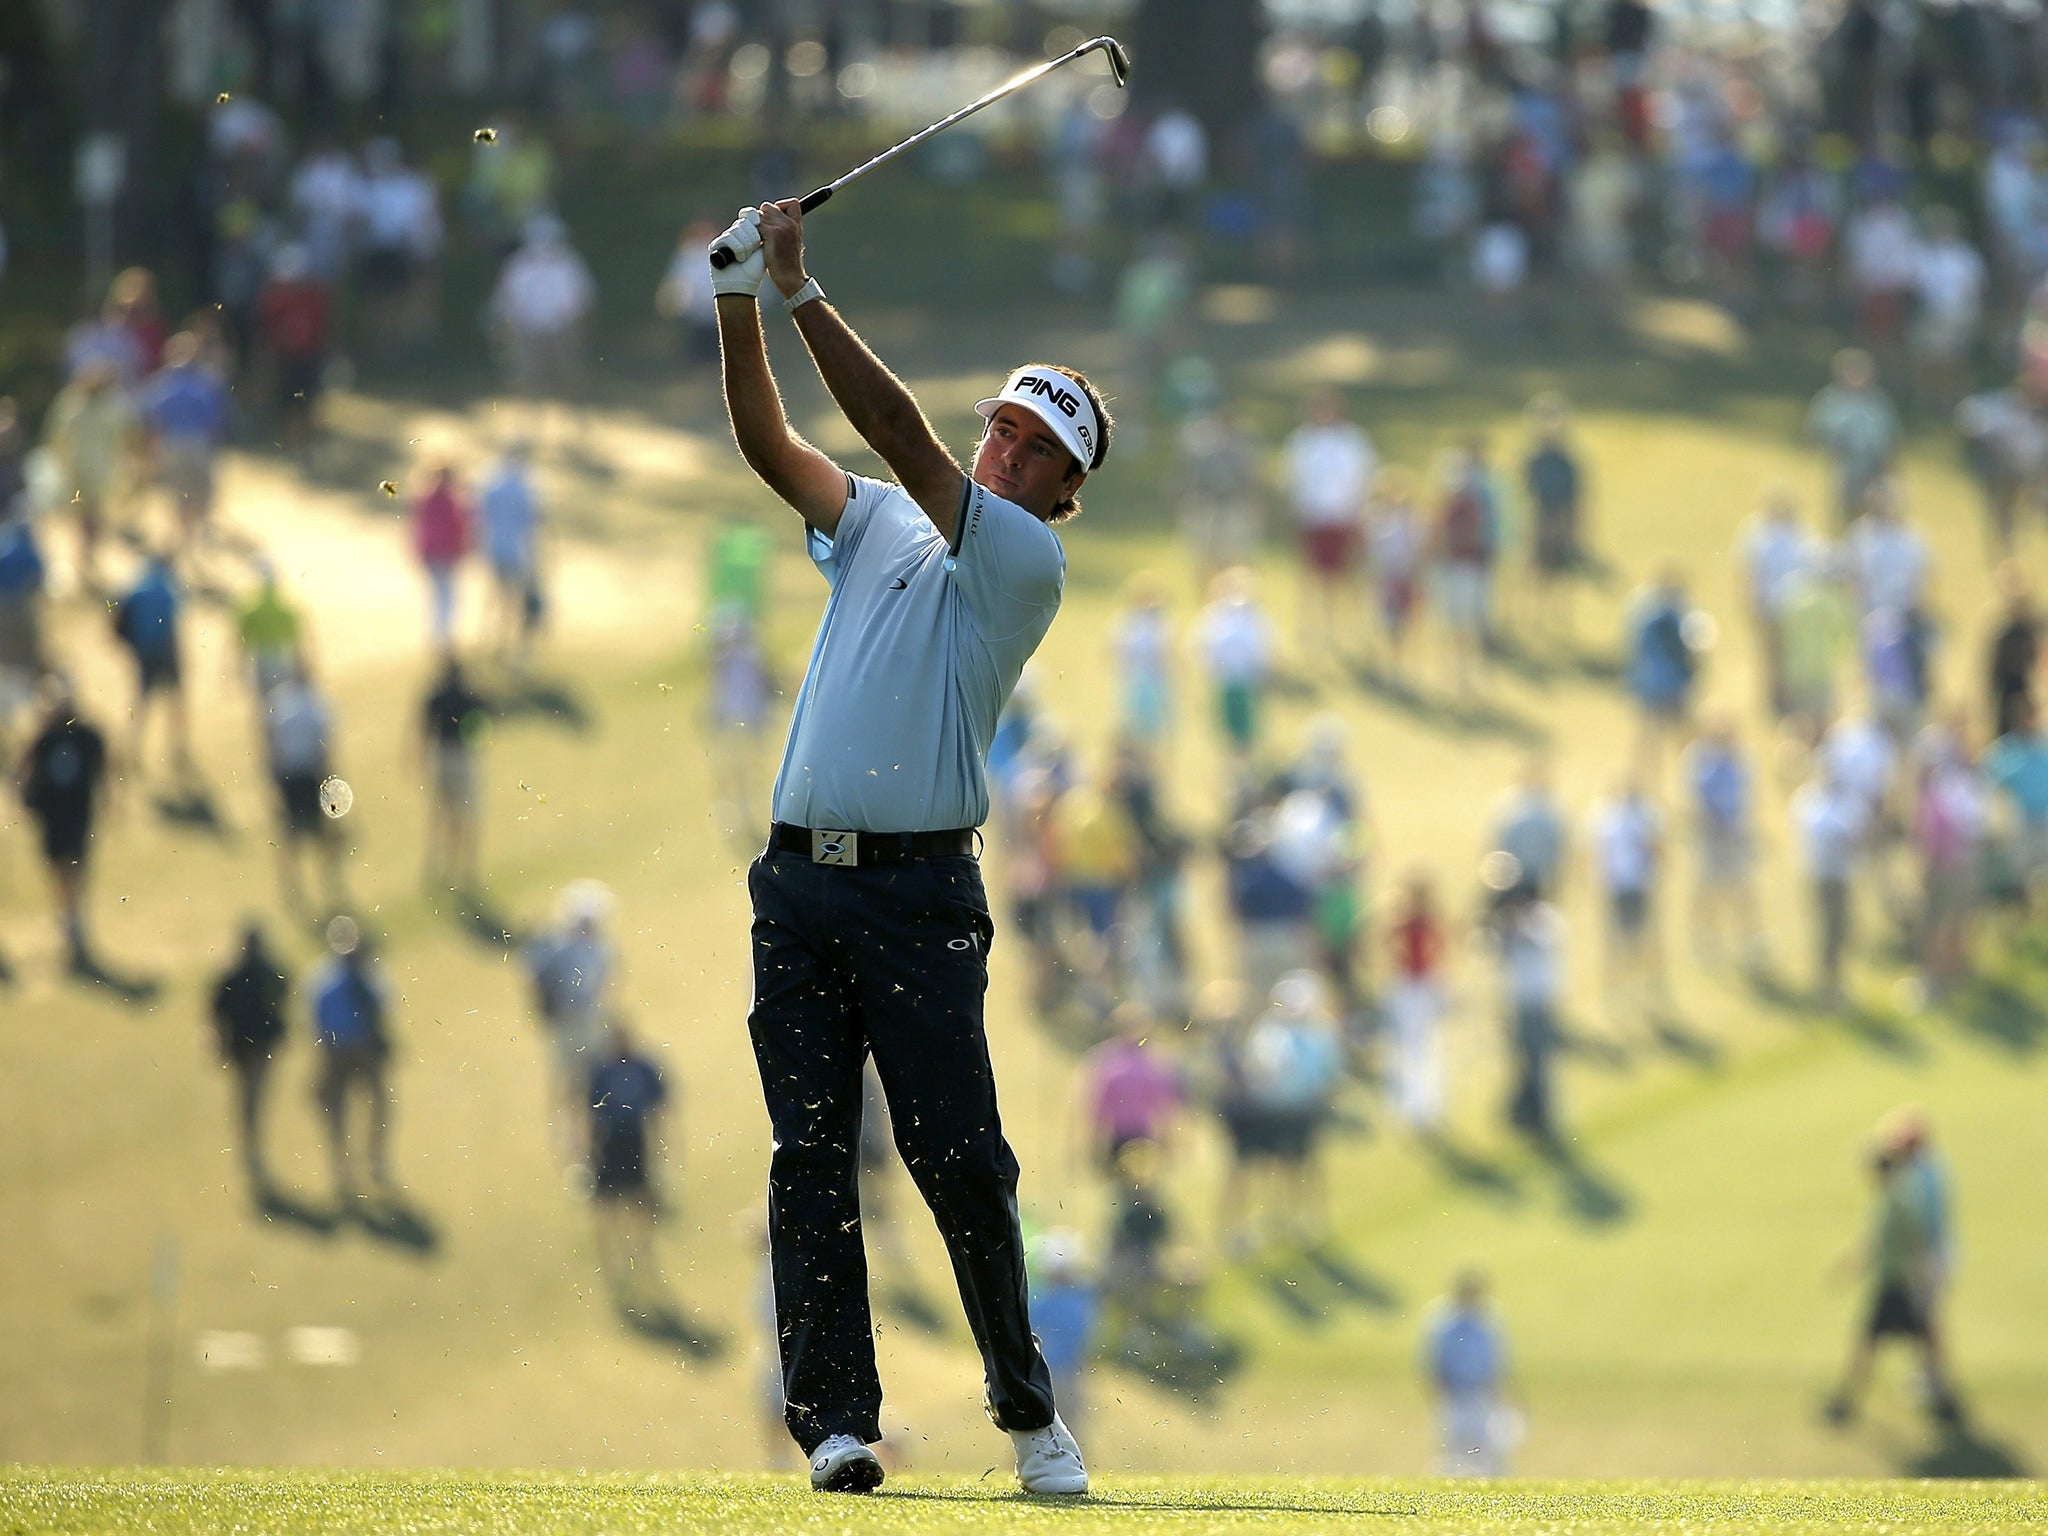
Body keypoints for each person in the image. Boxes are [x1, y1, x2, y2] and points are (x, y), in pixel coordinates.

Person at [713, 197, 1093, 1495]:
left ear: (1064, 491)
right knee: (809, 1152)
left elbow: (892, 429)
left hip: (921, 893)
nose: (1005, 453)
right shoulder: (875, 520)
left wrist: (797, 286)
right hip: (798, 884)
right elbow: (772, 444)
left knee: (959, 1161)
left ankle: (1027, 1409)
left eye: (1036, 448)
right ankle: (835, 1423)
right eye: (1001, 425)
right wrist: (733, 306)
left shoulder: (1023, 566)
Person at [1824, 1134, 1961, 1426]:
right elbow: (1877, 1244)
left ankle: (1845, 1401)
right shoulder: (1891, 1200)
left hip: (1896, 1285)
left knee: (1872, 1342)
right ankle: (1943, 1397)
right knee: (1918, 1342)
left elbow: (1911, 1241)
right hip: (1896, 1284)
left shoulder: (1896, 1203)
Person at [16, 679, 110, 971]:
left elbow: (103, 767)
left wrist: (109, 799)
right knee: (59, 868)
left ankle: (72, 919)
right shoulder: (45, 738)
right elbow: (23, 767)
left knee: (76, 867)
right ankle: (69, 917)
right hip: (53, 816)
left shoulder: (86, 736)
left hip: (78, 814)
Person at [525, 879, 618, 1159]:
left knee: (593, 1088)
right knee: (566, 1089)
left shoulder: (602, 949)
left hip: (590, 1024)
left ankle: (589, 1146)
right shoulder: (556, 948)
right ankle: (568, 1148)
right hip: (566, 1026)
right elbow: (537, 982)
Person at [1282, 388, 1375, 659]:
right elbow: (1293, 479)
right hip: (1312, 516)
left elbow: (1363, 478)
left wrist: (1360, 512)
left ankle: (1349, 627)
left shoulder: (1353, 441)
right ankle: (1313, 628)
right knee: (1311, 575)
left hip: (1344, 516)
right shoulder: (1302, 442)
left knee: (1348, 575)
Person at [587, 1018, 671, 1317]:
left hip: (635, 1140)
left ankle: (640, 1251)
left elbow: (658, 1108)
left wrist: (662, 1146)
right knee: (607, 1205)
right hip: (609, 1142)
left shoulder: (643, 1068)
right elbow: (589, 1112)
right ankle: (611, 1259)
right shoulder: (602, 1070)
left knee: (639, 1202)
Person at [309, 915, 395, 1204]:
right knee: (336, 1110)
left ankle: (373, 1157)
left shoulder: (367, 974)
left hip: (363, 1048)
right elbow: (315, 1020)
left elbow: (384, 1006)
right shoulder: (325, 977)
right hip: (337, 1051)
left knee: (379, 1104)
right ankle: (342, 1165)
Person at [209, 922, 289, 1195]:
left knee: (250, 1097)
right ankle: (252, 1145)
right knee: (251, 1097)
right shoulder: (259, 974)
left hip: (253, 1046)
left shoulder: (240, 975)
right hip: (248, 1047)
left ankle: (252, 1145)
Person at [138, 330, 232, 558]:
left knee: (181, 495)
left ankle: (182, 537)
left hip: (174, 446)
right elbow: (218, 420)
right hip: (196, 445)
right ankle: (191, 538)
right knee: (198, 494)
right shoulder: (207, 381)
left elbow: (149, 419)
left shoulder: (161, 383)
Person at [264, 661, 347, 916]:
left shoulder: (279, 702)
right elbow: (326, 745)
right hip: (312, 775)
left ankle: (292, 888)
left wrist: (272, 775)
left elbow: (270, 740)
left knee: (290, 836)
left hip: (287, 777)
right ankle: (330, 886)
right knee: (323, 835)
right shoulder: (317, 703)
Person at [1683, 715, 1763, 969]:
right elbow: (1692, 800)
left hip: (1735, 832)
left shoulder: (1740, 759)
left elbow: (1747, 795)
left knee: (1743, 887)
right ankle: (1705, 938)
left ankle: (1750, 940)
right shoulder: (1698, 759)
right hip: (1711, 835)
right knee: (1708, 888)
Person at [1423, 1269, 1517, 1476]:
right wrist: (1439, 1390)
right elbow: (1432, 1361)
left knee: (1490, 1450)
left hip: (1481, 1394)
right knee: (1452, 1450)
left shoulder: (1488, 1320)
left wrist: (1500, 1393)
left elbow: (1497, 1361)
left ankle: (1494, 1493)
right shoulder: (1443, 1321)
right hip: (1453, 1395)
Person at [1589, 774, 1665, 1026]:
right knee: (1618, 940)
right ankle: (1619, 988)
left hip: (1635, 883)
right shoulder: (1607, 817)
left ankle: (1641, 985)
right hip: (1618, 885)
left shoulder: (1641, 817)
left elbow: (1655, 849)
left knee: (1639, 939)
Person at [111, 553, 192, 777]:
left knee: (141, 702)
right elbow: (173, 625)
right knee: (175, 700)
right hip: (165, 651)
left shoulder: (137, 586)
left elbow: (120, 612)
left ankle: (133, 747)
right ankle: (178, 748)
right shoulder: (168, 589)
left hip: (143, 653)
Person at [1496, 894, 1564, 1141]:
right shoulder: (1511, 926)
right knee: (1521, 1058)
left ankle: (1545, 1115)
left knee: (1539, 1060)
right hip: (1519, 1003)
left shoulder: (1545, 919)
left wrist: (1518, 928)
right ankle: (1526, 1111)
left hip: (1540, 1003)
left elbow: (1539, 943)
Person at [1385, 870, 1449, 1132]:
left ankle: (1421, 1106)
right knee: (1415, 1048)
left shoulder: (1416, 920)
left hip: (1418, 986)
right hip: (1413, 985)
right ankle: (1418, 1106)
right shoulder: (1412, 920)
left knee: (1418, 1048)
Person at [419, 654, 488, 893]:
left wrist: (420, 758)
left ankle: (439, 866)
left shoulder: (436, 696)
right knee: (466, 815)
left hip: (441, 757)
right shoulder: (469, 696)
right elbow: (482, 725)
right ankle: (464, 870)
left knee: (443, 815)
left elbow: (425, 729)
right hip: (462, 757)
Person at [1807, 349, 1897, 527]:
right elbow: (1816, 431)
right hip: (1844, 463)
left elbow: (1889, 435)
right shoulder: (1830, 400)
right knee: (1844, 507)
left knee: (1873, 510)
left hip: (1873, 464)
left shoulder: (1877, 401)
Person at [1739, 491, 1808, 717]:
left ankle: (1791, 697)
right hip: (1769, 605)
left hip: (1796, 607)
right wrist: (1751, 601)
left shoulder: (1799, 534)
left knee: (1792, 655)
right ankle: (1773, 701)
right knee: (1770, 655)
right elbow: (1750, 571)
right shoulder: (1758, 537)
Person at [1195, 566, 1274, 762]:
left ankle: (1247, 771)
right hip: (1224, 683)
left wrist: (1264, 675)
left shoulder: (1256, 617)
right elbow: (1204, 648)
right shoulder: (1214, 616)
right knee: (1226, 731)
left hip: (1249, 683)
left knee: (1249, 732)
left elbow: (1264, 650)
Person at [478, 440, 544, 668]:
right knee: (514, 599)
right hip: (517, 550)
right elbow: (534, 519)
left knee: (496, 595)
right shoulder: (525, 484)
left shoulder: (491, 481)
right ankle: (511, 645)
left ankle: (493, 641)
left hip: (493, 547)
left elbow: (480, 514)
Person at [412, 463, 474, 648]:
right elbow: (459, 525)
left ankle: (436, 633)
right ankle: (443, 636)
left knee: (436, 593)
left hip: (430, 550)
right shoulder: (450, 499)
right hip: (445, 551)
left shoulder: (426, 495)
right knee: (446, 594)